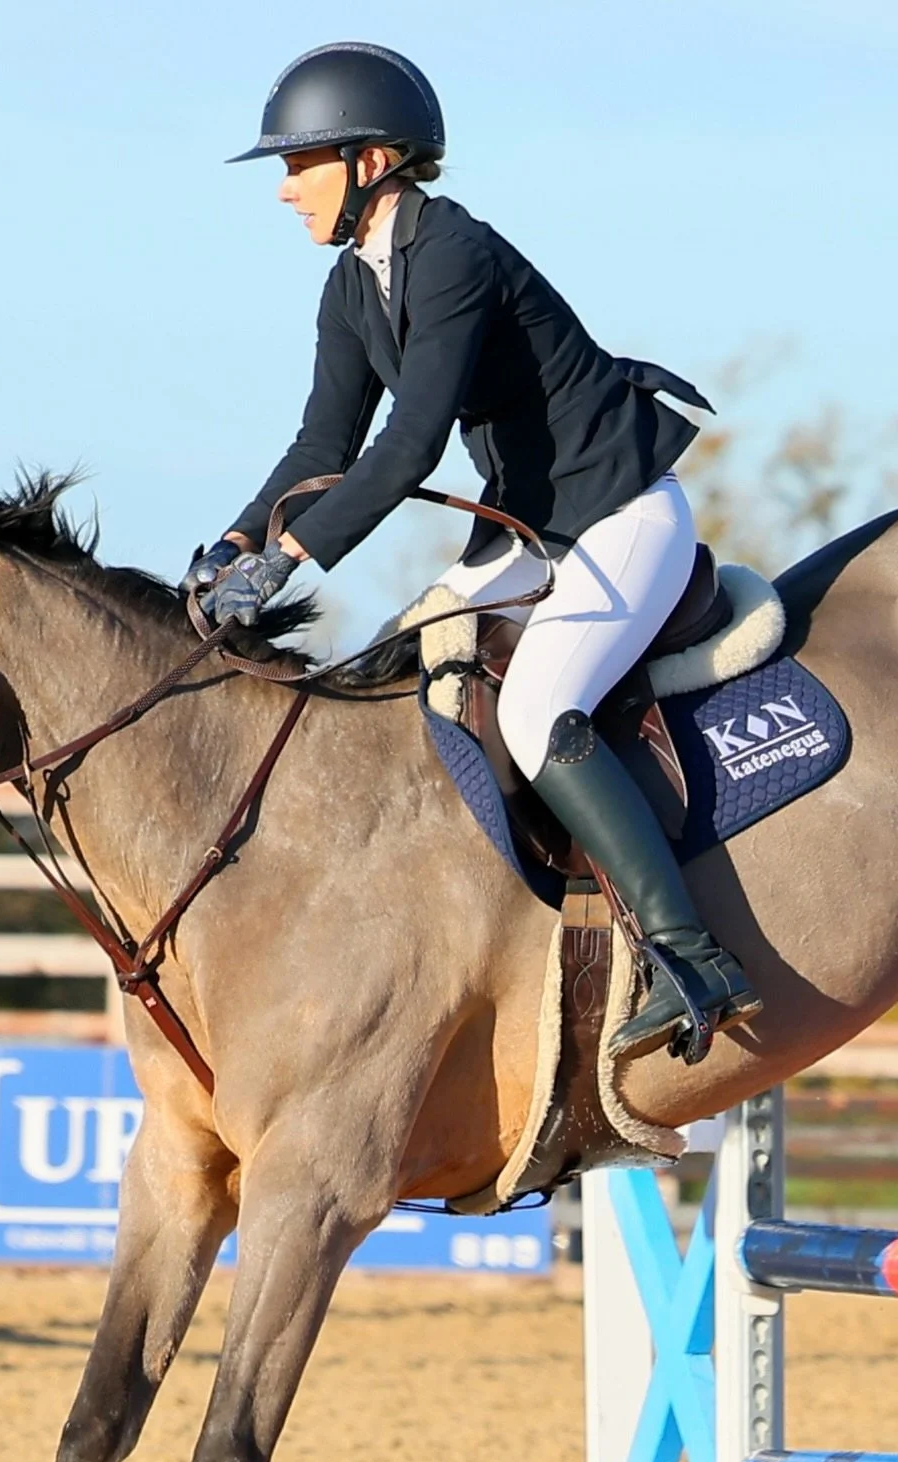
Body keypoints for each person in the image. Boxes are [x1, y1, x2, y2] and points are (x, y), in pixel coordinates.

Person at [181, 42, 760, 1061]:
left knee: (537, 710)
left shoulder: (454, 252)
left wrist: (291, 560)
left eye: (300, 163)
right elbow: (322, 448)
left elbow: (410, 443)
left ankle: (691, 957)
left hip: (622, 515)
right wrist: (235, 540)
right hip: (531, 525)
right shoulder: (352, 287)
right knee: (407, 662)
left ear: (370, 162)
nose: (284, 189)